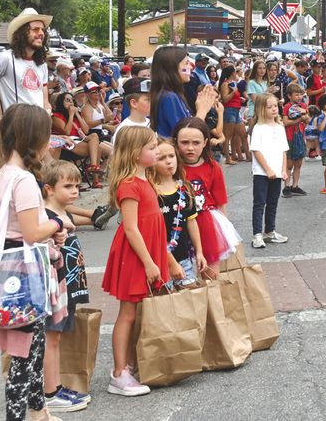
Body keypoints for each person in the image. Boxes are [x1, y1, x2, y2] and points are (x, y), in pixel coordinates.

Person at [0, 104, 72, 421]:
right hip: (24, 272)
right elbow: (33, 232)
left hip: (11, 269)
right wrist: (58, 225)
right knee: (25, 353)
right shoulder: (22, 179)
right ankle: (20, 416)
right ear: (35, 136)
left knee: (31, 348)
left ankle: (39, 412)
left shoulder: (4, 174)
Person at [101, 125, 170, 398]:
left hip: (145, 252)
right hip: (136, 255)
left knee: (135, 313)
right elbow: (131, 228)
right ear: (134, 153)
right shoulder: (130, 184)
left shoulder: (143, 180)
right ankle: (119, 373)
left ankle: (127, 366)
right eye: (152, 148)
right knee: (128, 313)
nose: (156, 152)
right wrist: (150, 262)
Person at [40, 160, 92, 413]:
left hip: (67, 284)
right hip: (53, 287)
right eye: (68, 186)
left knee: (57, 336)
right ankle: (50, 393)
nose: (75, 191)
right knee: (51, 336)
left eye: (77, 186)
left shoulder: (65, 213)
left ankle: (56, 386)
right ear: (49, 188)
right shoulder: (46, 217)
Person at [175, 116, 229, 271]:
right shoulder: (171, 166)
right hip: (178, 223)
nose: (190, 148)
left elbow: (221, 201)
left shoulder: (213, 167)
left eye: (196, 143)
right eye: (184, 142)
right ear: (176, 142)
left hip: (206, 222)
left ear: (205, 143)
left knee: (211, 272)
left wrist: (224, 230)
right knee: (181, 272)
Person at [150, 139, 206, 288]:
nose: (169, 162)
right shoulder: (152, 193)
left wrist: (199, 252)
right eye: (162, 158)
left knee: (190, 301)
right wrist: (171, 263)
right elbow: (152, 233)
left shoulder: (184, 188)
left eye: (171, 156)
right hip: (160, 261)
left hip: (184, 259)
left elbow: (191, 222)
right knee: (166, 305)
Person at [0, 8, 52, 110]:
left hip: (39, 124)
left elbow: (45, 102)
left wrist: (47, 113)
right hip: (15, 124)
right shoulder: (5, 58)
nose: (41, 33)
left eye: (43, 30)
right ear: (22, 33)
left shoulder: (42, 64)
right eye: (35, 29)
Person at [149, 46, 217, 139]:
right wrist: (202, 110)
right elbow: (186, 136)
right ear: (172, 67)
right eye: (186, 63)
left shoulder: (172, 94)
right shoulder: (169, 97)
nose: (190, 67)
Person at [249, 94, 290, 248]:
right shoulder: (258, 128)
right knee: (259, 203)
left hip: (277, 172)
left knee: (273, 202)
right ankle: (257, 234)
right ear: (261, 109)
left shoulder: (280, 128)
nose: (274, 109)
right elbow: (256, 151)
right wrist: (267, 169)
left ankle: (270, 231)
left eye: (275, 106)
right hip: (261, 172)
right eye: (270, 106)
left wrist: (283, 170)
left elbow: (283, 151)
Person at [50, 92, 105, 186]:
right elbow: (66, 132)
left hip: (78, 140)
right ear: (61, 102)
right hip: (66, 142)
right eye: (67, 100)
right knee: (97, 149)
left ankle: (93, 166)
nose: (71, 103)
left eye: (72, 101)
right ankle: (95, 178)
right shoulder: (56, 116)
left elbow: (86, 130)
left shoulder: (76, 116)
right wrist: (71, 115)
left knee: (94, 136)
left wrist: (78, 115)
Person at [280, 84, 309, 197]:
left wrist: (304, 113)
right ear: (289, 96)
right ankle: (286, 186)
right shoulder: (287, 107)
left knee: (298, 163)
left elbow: (307, 120)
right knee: (289, 164)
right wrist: (299, 119)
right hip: (289, 137)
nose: (299, 97)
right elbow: (286, 122)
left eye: (300, 94)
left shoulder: (303, 105)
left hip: (300, 136)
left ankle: (295, 185)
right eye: (296, 95)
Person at [219, 66, 248, 164]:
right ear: (232, 73)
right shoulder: (225, 84)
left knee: (242, 134)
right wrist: (234, 92)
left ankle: (241, 155)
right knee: (228, 136)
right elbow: (225, 99)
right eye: (235, 71)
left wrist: (238, 98)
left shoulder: (233, 83)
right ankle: (228, 158)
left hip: (236, 110)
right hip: (229, 110)